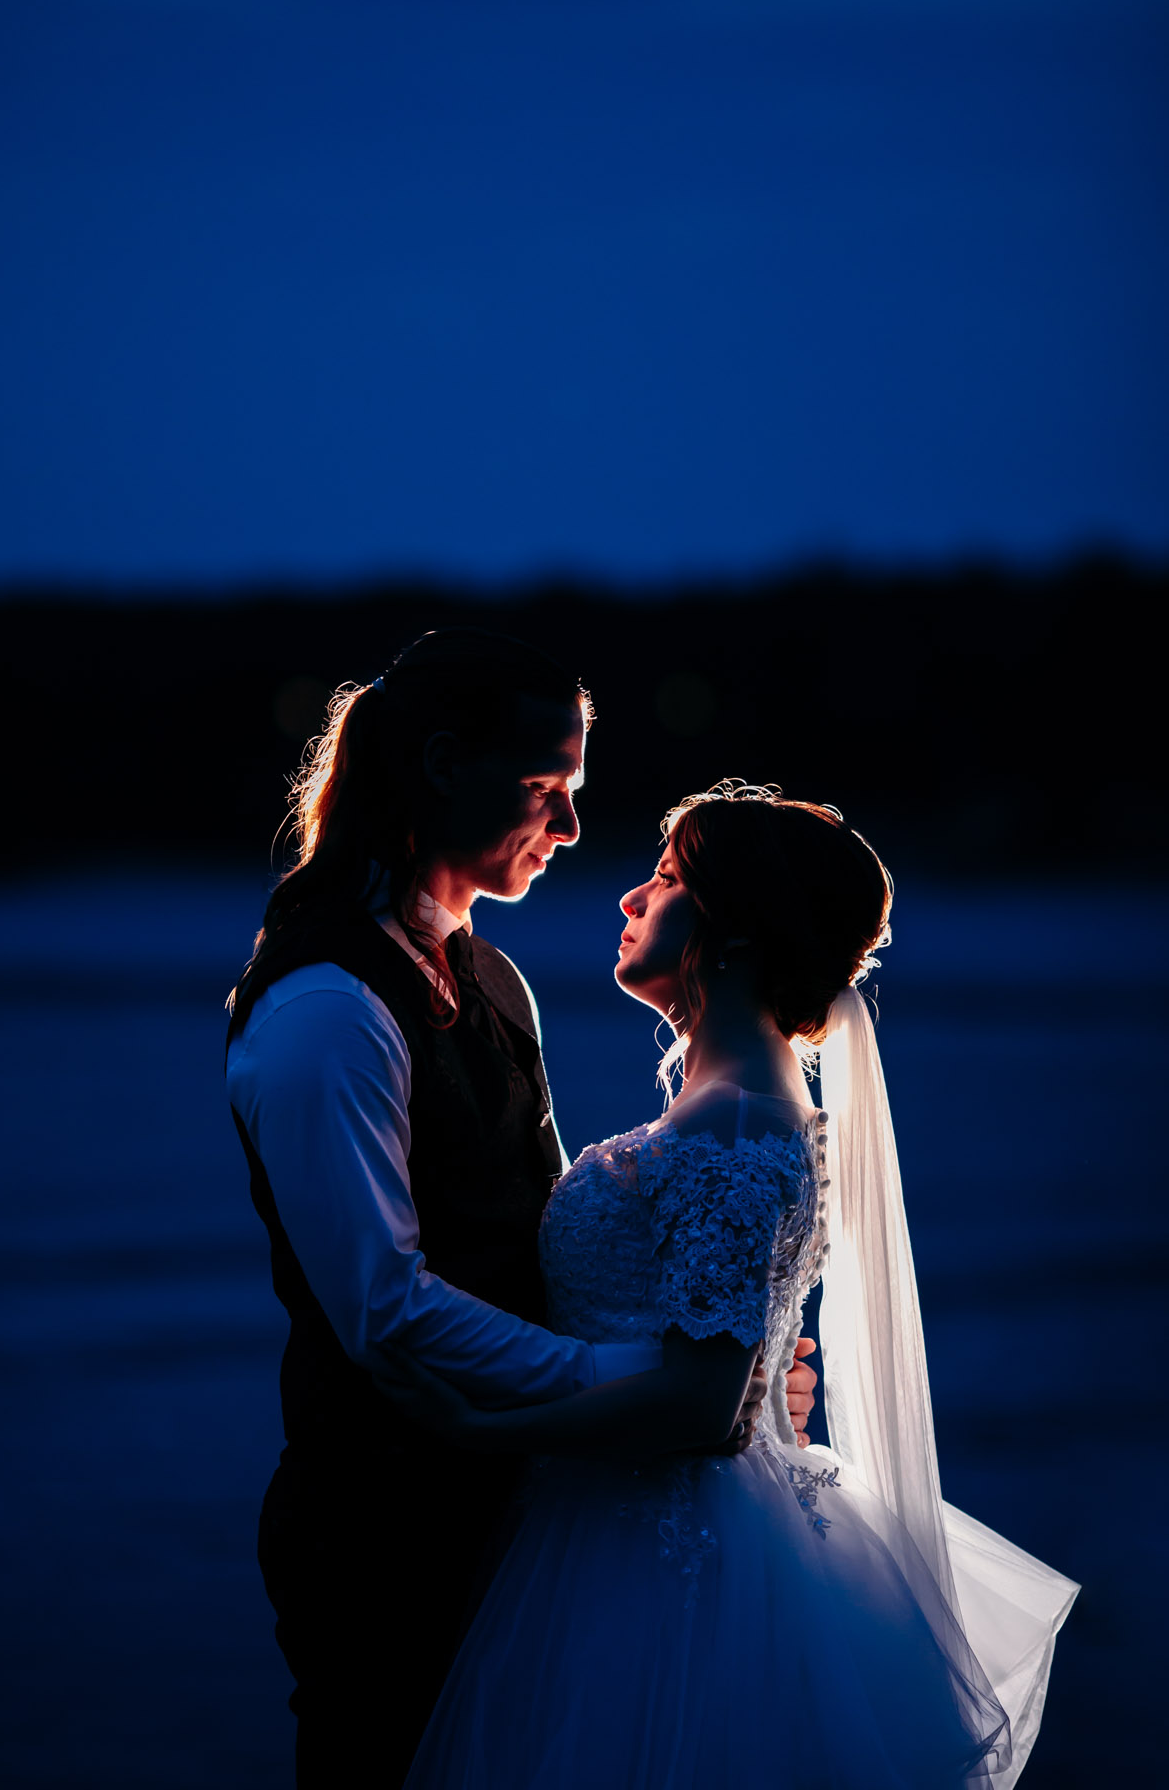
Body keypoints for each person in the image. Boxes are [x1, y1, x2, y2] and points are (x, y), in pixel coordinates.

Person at [386, 782, 1078, 1789]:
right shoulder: (738, 1110)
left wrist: (477, 1426)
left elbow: (705, 1404)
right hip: (629, 1521)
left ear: (736, 933)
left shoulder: (739, 1124)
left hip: (659, 1554)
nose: (630, 896)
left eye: (666, 878)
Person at [224, 634, 817, 1790]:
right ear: (446, 765)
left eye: (577, 793)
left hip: (544, 1510)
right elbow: (385, 1311)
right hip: (386, 1531)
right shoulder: (326, 1009)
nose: (573, 828)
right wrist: (644, 1378)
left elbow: (547, 1237)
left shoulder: (496, 983)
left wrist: (724, 1358)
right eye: (547, 789)